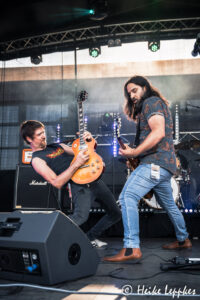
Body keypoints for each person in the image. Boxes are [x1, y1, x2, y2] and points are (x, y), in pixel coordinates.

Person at [104, 75, 191, 262]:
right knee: (169, 205)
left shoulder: (151, 101)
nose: (132, 96)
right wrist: (135, 156)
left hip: (155, 163)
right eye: (129, 94)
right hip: (165, 166)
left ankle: (131, 248)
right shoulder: (154, 104)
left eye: (135, 90)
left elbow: (158, 132)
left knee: (128, 197)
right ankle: (183, 240)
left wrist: (135, 152)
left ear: (145, 87)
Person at [20, 120, 121, 247]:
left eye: (43, 132)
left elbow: (83, 153)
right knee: (80, 217)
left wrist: (88, 141)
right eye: (39, 134)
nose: (44, 136)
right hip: (78, 185)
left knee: (115, 213)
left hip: (94, 180)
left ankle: (90, 238)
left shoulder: (57, 146)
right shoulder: (37, 160)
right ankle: (46, 240)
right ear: (29, 139)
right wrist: (76, 164)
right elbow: (57, 183)